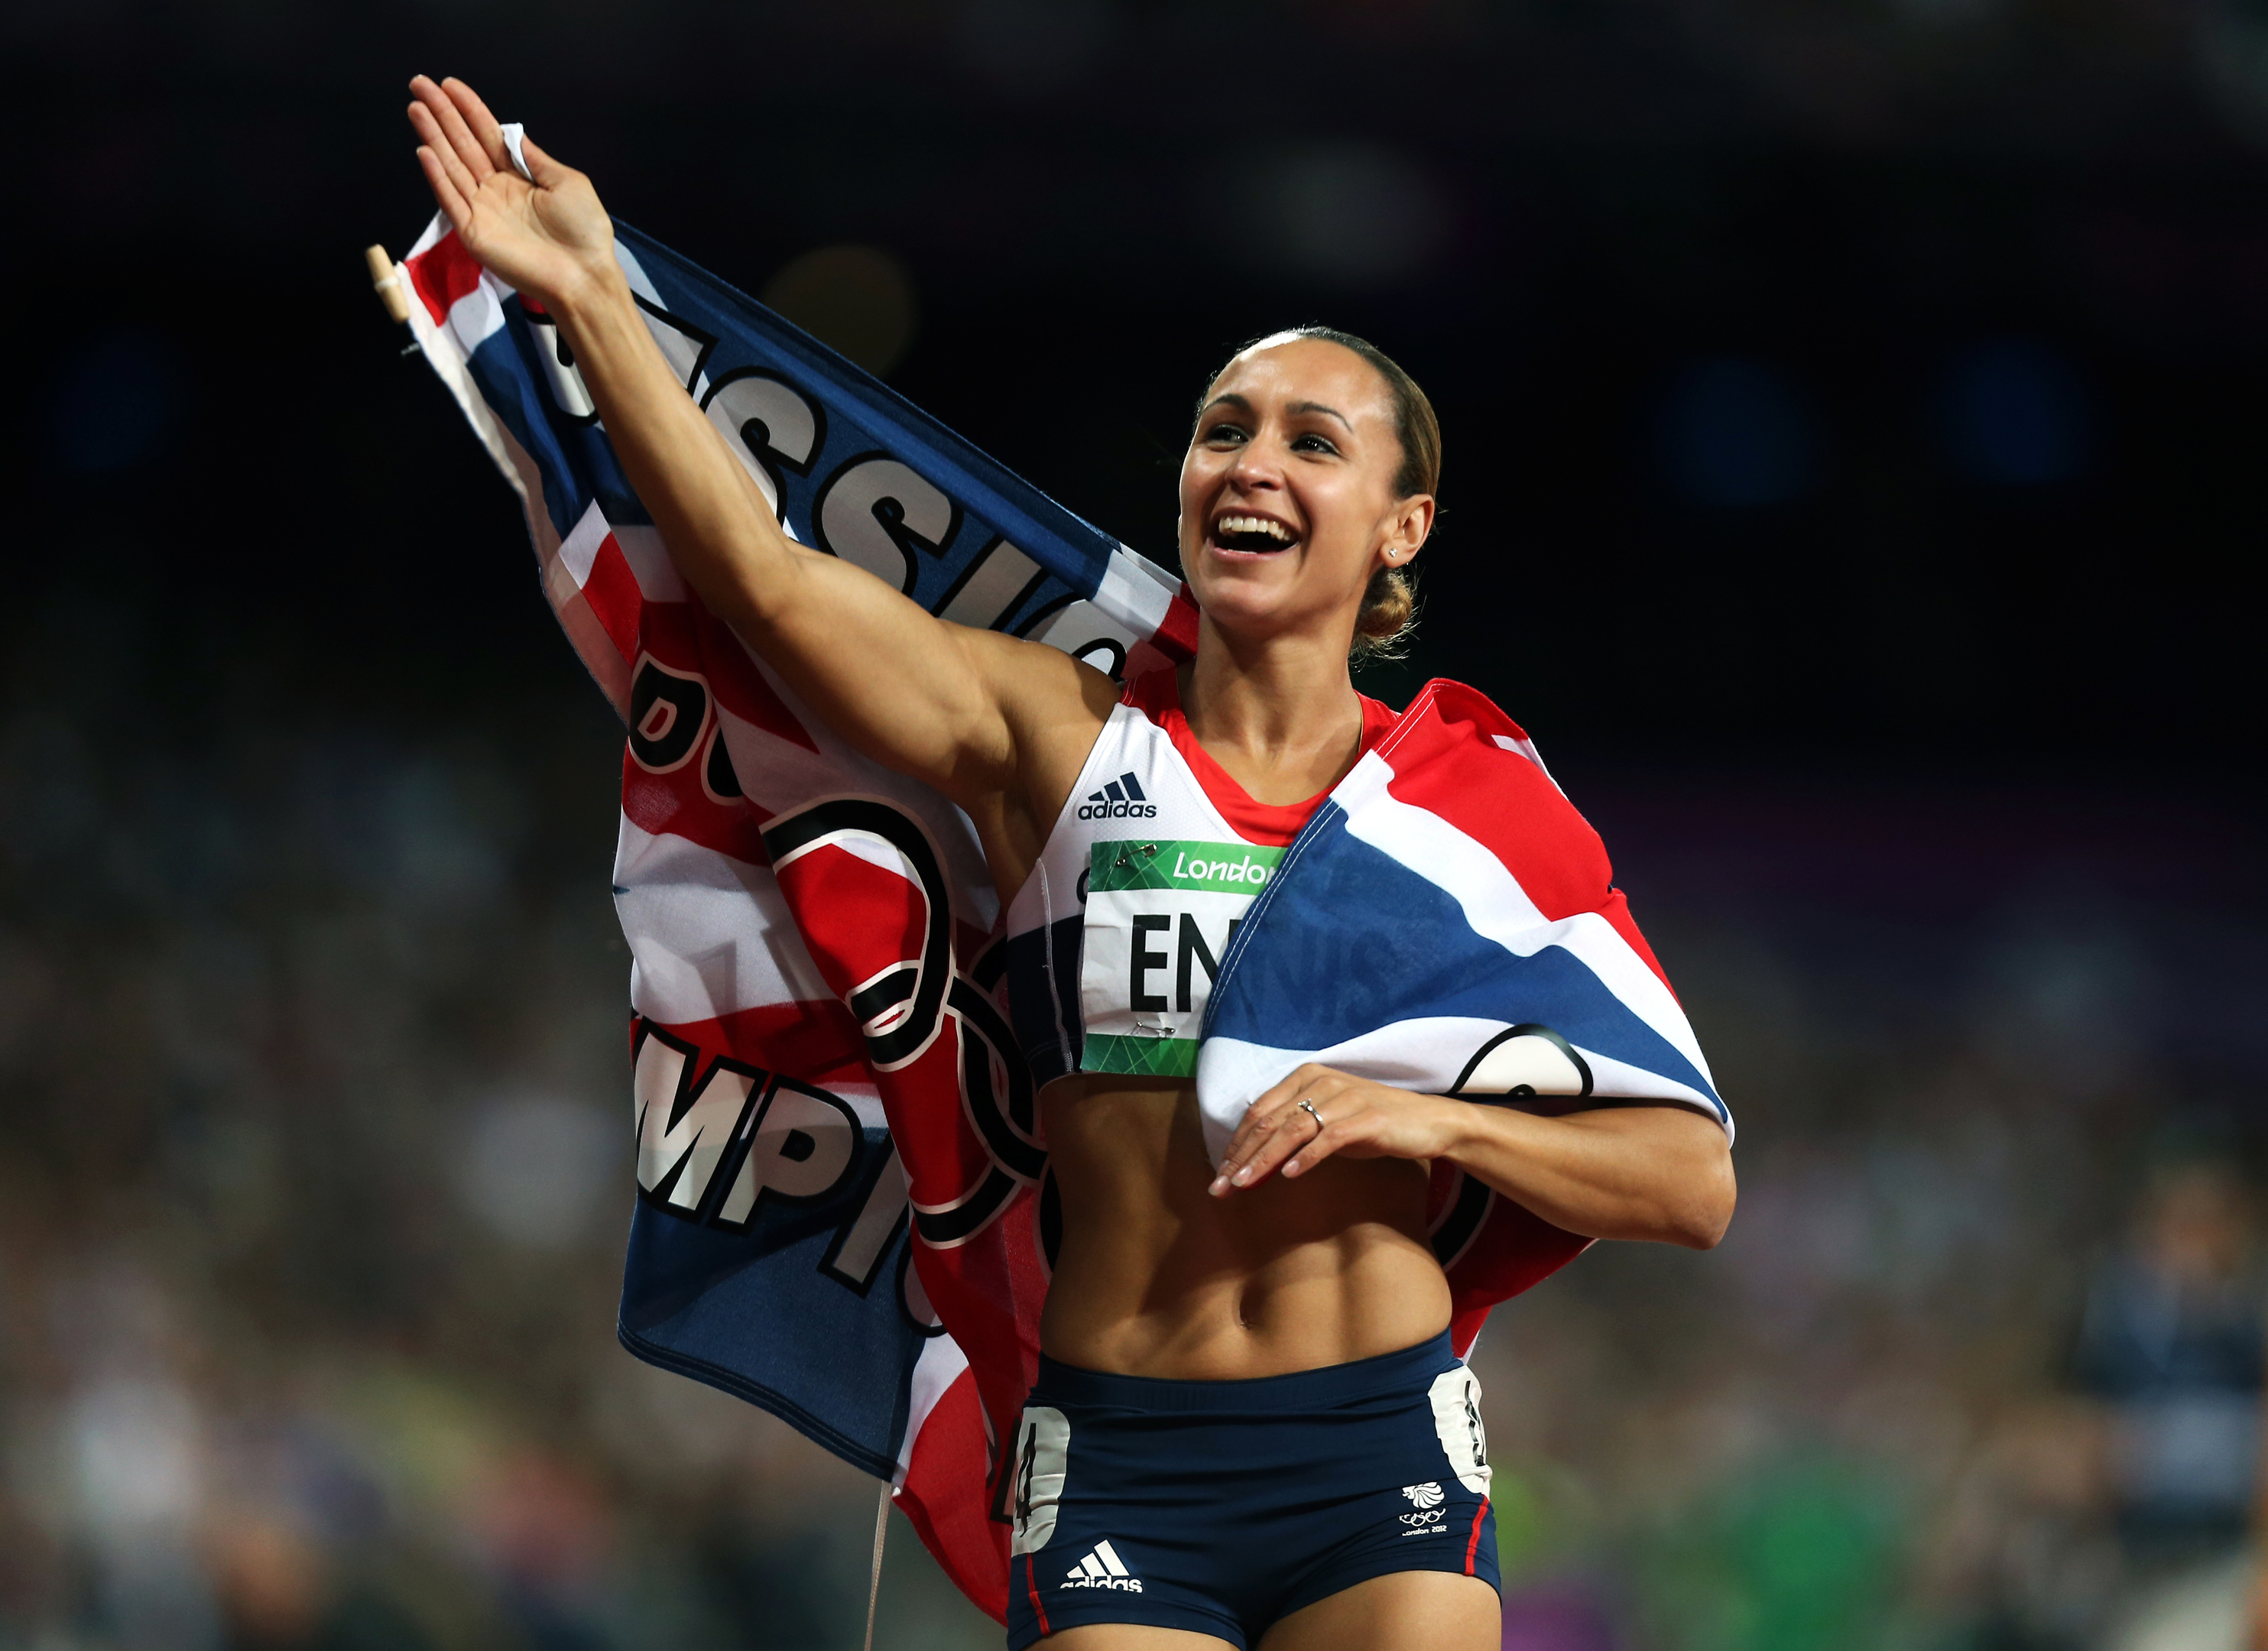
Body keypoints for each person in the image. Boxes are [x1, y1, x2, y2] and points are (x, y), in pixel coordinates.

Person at [405, 73, 1737, 1651]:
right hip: (1123, 1450)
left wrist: (1423, 1112)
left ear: (1400, 526)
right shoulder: (1059, 739)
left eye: (1314, 442)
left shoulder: (1464, 806)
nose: (1251, 462)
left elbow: (1690, 1177)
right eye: (1222, 429)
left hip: (1372, 1446)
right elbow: (762, 580)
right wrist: (592, 301)